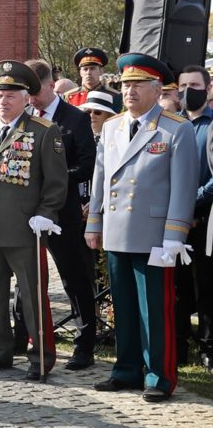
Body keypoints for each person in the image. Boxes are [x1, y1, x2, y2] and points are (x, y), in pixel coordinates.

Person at [87, 53, 197, 402]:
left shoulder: (175, 128)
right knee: (124, 305)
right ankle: (126, 369)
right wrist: (94, 224)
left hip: (154, 233)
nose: (129, 91)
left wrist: (174, 237)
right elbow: (100, 178)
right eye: (124, 85)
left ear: (156, 88)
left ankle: (158, 376)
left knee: (154, 308)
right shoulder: (112, 126)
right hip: (118, 228)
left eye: (137, 85)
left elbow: (183, 188)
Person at [0, 61, 66, 381]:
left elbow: (55, 183)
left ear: (26, 97)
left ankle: (40, 357)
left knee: (33, 296)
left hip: (25, 228)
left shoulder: (44, 132)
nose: (3, 100)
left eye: (11, 94)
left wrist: (46, 214)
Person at [19, 58, 98, 370]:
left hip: (63, 213)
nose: (33, 99)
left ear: (52, 84)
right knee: (25, 278)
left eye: (36, 92)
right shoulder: (25, 118)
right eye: (29, 92)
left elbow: (87, 165)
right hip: (28, 212)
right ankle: (26, 338)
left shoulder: (75, 119)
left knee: (74, 278)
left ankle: (84, 344)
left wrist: (54, 179)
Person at [179, 65, 213, 369]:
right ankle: (178, 343)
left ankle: (207, 346)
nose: (188, 90)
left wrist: (190, 207)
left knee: (206, 287)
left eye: (195, 84)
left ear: (208, 89)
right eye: (184, 85)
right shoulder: (173, 125)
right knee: (176, 287)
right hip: (173, 222)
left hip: (204, 221)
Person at [66, 48, 121, 112]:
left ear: (101, 71)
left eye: (92, 68)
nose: (88, 73)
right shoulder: (70, 96)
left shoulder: (114, 96)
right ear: (80, 72)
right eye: (85, 69)